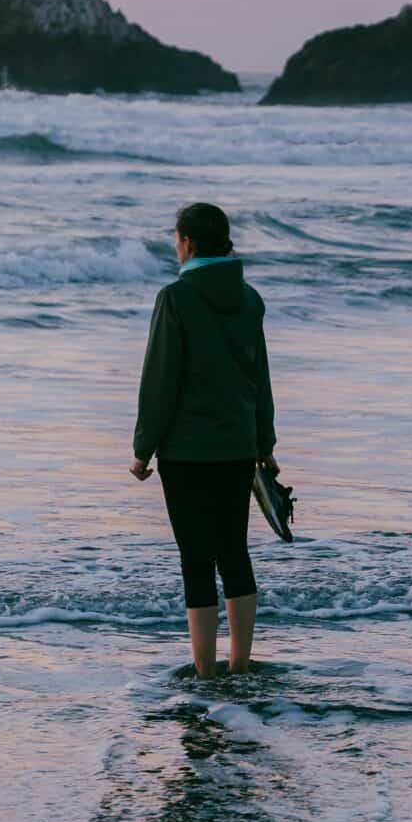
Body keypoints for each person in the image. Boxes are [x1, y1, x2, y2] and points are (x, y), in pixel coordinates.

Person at [131, 201, 276, 677]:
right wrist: (265, 444)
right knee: (234, 550)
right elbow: (260, 380)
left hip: (187, 453)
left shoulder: (175, 299)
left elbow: (160, 381)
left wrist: (142, 449)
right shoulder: (250, 299)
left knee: (196, 557)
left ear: (188, 243)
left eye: (177, 240)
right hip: (237, 447)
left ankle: (204, 671)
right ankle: (240, 665)